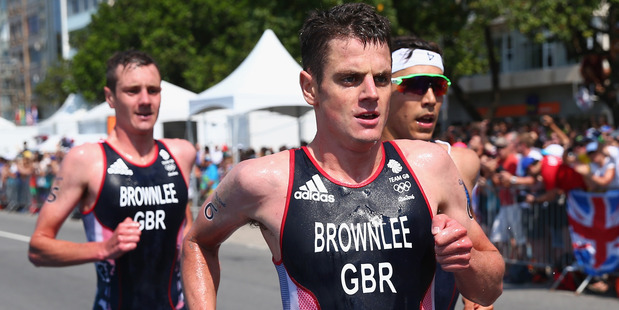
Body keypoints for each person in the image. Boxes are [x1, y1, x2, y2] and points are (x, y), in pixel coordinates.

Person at [181, 3, 503, 310]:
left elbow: (489, 288)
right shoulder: (265, 180)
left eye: (381, 78)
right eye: (350, 79)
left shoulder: (430, 166)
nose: (371, 94)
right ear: (310, 88)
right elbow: (198, 242)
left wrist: (466, 261)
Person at [28, 50, 196, 310]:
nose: (145, 100)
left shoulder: (181, 154)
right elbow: (38, 248)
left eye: (153, 90)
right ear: (110, 97)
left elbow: (189, 241)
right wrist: (103, 248)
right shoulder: (86, 160)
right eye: (132, 91)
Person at [382, 36, 497, 310]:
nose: (431, 99)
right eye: (416, 85)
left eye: (438, 86)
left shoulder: (459, 162)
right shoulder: (353, 162)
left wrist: (475, 299)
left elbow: (472, 246)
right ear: (383, 88)